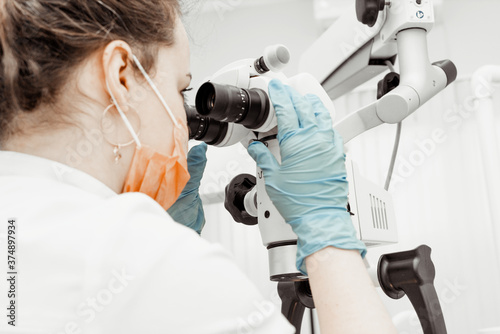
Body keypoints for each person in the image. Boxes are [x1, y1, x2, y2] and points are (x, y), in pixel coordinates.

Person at [0, 1, 397, 333]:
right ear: (121, 77)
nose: (185, 119)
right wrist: (327, 229)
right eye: (180, 89)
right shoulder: (148, 262)